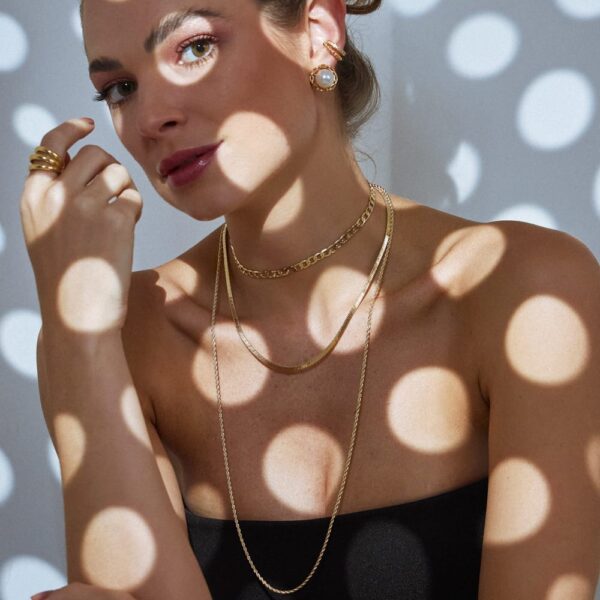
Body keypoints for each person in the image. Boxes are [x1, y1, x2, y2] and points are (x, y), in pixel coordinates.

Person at [20, 0, 600, 598]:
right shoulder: (122, 333)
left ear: (319, 31)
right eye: (120, 88)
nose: (151, 117)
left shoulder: (525, 291)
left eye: (195, 47)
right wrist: (77, 331)